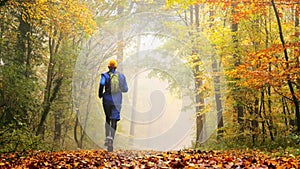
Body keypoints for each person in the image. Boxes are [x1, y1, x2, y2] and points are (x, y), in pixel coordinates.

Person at [98, 59, 128, 146]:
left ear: (108, 67)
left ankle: (107, 138)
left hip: (107, 99)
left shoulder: (105, 75)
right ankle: (112, 140)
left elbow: (101, 83)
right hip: (117, 101)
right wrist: (120, 88)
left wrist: (100, 94)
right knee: (114, 119)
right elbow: (125, 89)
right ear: (116, 67)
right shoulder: (121, 76)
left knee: (107, 118)